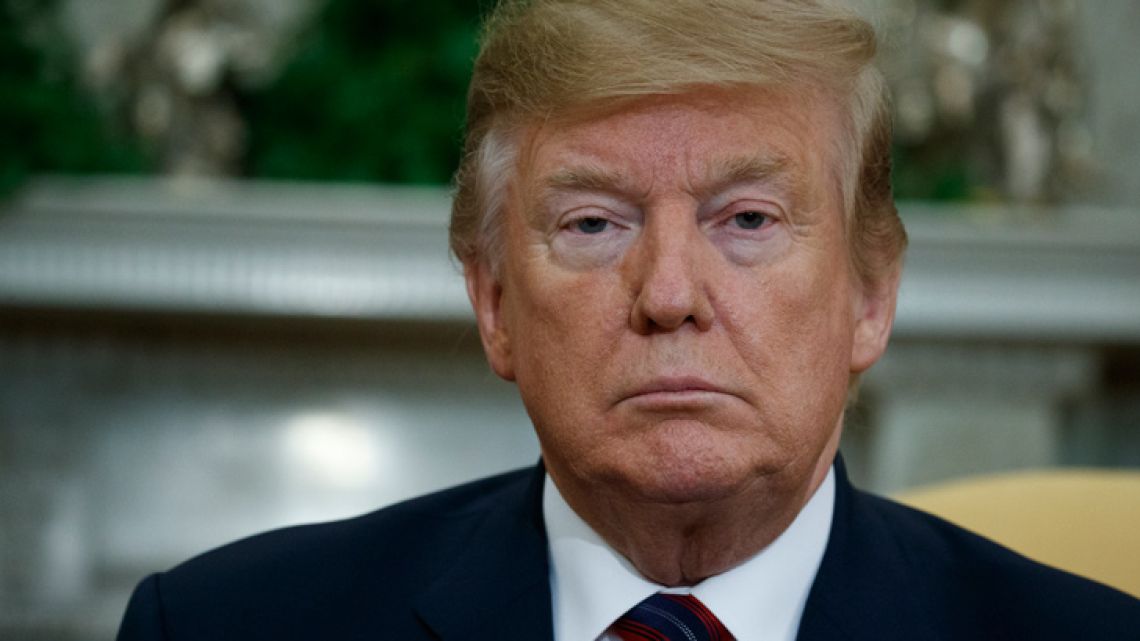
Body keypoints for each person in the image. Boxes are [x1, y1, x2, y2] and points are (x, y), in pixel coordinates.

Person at [117, 1, 1140, 639]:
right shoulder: (222, 624)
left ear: (871, 294)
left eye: (747, 218)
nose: (667, 293)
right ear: (495, 301)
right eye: (594, 222)